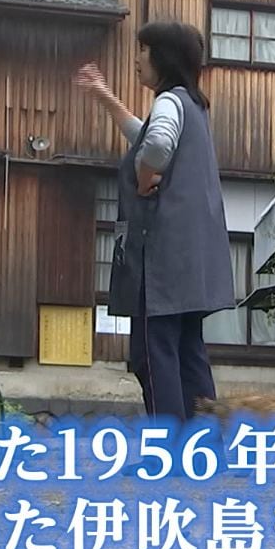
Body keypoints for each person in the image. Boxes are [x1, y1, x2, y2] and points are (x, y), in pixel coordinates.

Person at [73, 21, 234, 423]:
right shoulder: (191, 105)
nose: (137, 59)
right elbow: (146, 136)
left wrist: (145, 177)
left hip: (162, 255)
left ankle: (169, 444)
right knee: (189, 351)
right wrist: (105, 96)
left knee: (153, 352)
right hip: (193, 257)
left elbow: (157, 144)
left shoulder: (168, 102)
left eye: (143, 50)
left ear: (163, 57)